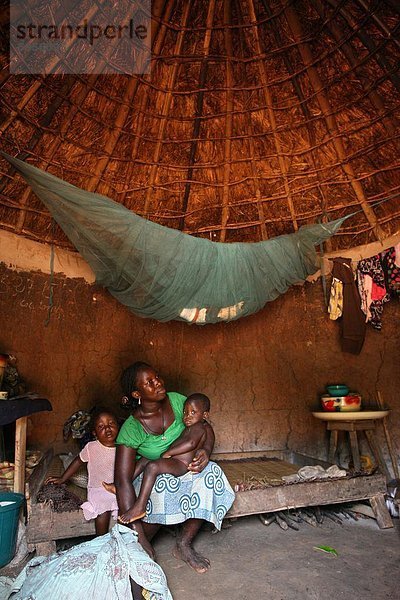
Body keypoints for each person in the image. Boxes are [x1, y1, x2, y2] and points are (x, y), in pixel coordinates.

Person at [114, 362, 235, 573]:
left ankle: (184, 544)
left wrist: (206, 451)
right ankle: (141, 538)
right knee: (161, 483)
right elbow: (122, 479)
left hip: (182, 466)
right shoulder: (131, 428)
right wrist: (139, 535)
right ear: (136, 393)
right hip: (154, 473)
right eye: (149, 382)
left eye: (157, 377)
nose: (158, 382)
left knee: (211, 473)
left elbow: (204, 426)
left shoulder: (179, 401)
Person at [116, 393, 211, 524]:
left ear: (205, 415)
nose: (187, 416)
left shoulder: (198, 427)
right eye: (185, 412)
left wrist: (169, 452)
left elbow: (191, 443)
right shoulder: (192, 426)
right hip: (176, 460)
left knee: (152, 467)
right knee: (146, 459)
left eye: (193, 412)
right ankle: (123, 484)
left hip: (181, 464)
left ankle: (140, 507)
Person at [46, 409, 119, 535]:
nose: (107, 429)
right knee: (102, 509)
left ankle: (123, 540)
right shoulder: (91, 447)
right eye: (101, 427)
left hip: (117, 488)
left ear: (118, 427)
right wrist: (63, 478)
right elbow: (78, 462)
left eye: (111, 424)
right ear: (94, 433)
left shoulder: (123, 448)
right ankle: (100, 541)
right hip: (98, 489)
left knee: (126, 503)